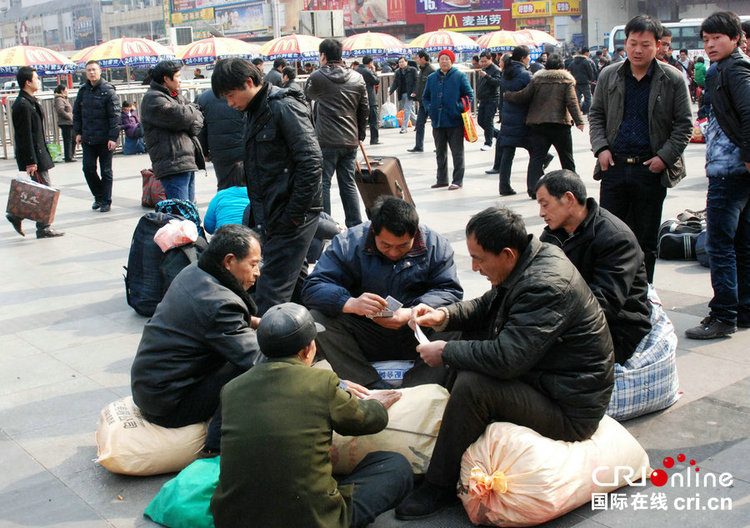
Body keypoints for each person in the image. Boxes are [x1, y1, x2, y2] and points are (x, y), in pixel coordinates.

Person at [394, 206, 613, 519]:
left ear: (508, 253)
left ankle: (438, 485)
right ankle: (429, 423)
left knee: (473, 384)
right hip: (543, 376)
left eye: (479, 258)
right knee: (457, 337)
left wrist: (446, 353)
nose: (475, 266)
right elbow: (488, 304)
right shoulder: (529, 260)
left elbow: (509, 359)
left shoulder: (545, 285)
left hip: (568, 407)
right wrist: (445, 315)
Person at [211, 302, 412, 528]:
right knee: (394, 466)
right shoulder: (321, 381)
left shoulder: (232, 389)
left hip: (234, 521)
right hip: (313, 521)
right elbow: (366, 421)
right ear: (308, 350)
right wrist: (376, 404)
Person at [536, 170, 679, 419]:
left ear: (568, 199)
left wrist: (548, 327)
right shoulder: (553, 234)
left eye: (544, 203)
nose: (541, 213)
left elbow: (604, 305)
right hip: (568, 318)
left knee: (534, 359)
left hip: (617, 329)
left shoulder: (614, 237)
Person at [302, 196, 463, 389]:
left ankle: (418, 386)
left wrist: (415, 310)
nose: (394, 253)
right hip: (364, 331)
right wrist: (349, 303)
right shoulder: (349, 242)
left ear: (415, 233)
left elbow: (449, 289)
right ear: (373, 232)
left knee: (456, 321)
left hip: (415, 330)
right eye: (385, 245)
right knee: (317, 320)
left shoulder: (435, 244)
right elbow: (314, 285)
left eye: (403, 245)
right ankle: (370, 384)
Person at [130, 224, 264, 454]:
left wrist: (256, 322)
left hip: (149, 386)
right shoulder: (220, 304)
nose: (258, 272)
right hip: (169, 404)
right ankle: (216, 446)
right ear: (229, 261)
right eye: (252, 264)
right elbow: (255, 358)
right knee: (252, 370)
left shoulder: (195, 272)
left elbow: (215, 318)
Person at [212, 58, 322, 315]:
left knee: (270, 290)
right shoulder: (254, 110)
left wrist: (294, 215)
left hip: (291, 213)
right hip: (271, 212)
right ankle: (310, 337)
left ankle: (267, 349)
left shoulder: (283, 106)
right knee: (294, 282)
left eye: (230, 95)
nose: (230, 103)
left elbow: (311, 161)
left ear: (249, 83)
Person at [589, 15, 692, 283]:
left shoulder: (672, 79)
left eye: (645, 45)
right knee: (609, 236)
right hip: (614, 167)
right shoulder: (609, 75)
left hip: (650, 168)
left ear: (658, 45)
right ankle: (613, 294)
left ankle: (644, 297)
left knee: (646, 240)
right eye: (633, 43)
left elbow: (684, 125)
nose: (637, 50)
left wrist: (664, 158)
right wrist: (601, 148)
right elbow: (596, 115)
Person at [685, 11, 750, 340]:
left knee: (720, 244)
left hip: (729, 169)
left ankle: (724, 315)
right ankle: (743, 308)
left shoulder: (732, 69)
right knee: (741, 243)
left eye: (717, 39)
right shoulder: (727, 67)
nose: (710, 45)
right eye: (706, 40)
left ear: (735, 38)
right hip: (735, 168)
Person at [305, 38, 367, 228]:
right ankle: (355, 224)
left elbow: (307, 97)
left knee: (323, 183)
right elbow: (364, 109)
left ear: (323, 55)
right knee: (348, 183)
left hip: (326, 139)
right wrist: (360, 134)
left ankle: (327, 225)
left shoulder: (317, 77)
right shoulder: (357, 78)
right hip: (350, 139)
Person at [505, 53, 584, 199]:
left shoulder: (537, 80)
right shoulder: (566, 81)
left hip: (538, 125)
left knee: (536, 158)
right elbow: (572, 102)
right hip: (560, 125)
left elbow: (524, 96)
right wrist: (579, 121)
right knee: (567, 158)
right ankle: (573, 187)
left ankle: (533, 189)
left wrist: (508, 95)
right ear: (561, 67)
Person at [6, 67, 65, 238]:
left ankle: (28, 220)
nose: (38, 81)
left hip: (39, 153)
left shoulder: (30, 102)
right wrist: (30, 161)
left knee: (41, 191)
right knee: (45, 190)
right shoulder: (22, 105)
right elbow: (24, 136)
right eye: (36, 78)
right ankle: (37, 225)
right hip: (34, 156)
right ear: (28, 82)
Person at [141, 61, 205, 202]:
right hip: (172, 162)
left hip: (187, 160)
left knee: (189, 209)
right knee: (180, 210)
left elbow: (197, 120)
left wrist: (190, 113)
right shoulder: (153, 98)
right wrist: (191, 112)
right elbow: (183, 116)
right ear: (166, 78)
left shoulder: (176, 97)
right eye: (177, 76)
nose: (180, 80)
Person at [422, 49, 474, 190]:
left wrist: (458, 107)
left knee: (457, 152)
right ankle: (442, 179)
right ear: (438, 61)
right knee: (440, 152)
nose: (444, 61)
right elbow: (425, 97)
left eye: (447, 59)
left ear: (452, 61)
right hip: (437, 121)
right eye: (441, 59)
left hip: (454, 121)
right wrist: (429, 108)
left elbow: (469, 94)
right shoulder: (432, 78)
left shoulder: (459, 76)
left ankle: (457, 180)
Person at [73, 60, 120, 213]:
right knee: (88, 169)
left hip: (105, 139)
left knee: (106, 171)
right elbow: (77, 114)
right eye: (88, 70)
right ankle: (98, 195)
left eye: (94, 70)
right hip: (88, 137)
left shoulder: (108, 90)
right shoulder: (83, 91)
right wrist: (78, 132)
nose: (91, 73)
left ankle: (106, 200)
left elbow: (115, 116)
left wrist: (113, 137)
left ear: (100, 71)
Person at [486, 46, 533, 195]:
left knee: (508, 152)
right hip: (523, 118)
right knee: (536, 152)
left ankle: (504, 186)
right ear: (523, 58)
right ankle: (533, 186)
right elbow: (531, 95)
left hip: (508, 117)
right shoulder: (526, 75)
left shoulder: (506, 73)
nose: (529, 59)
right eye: (528, 56)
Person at [197, 87, 246, 190]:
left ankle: (225, 205)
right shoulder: (241, 93)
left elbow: (201, 129)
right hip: (242, 148)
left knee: (224, 185)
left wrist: (204, 153)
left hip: (219, 151)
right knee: (248, 185)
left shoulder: (204, 97)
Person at [408, 49, 435, 153]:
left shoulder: (431, 70)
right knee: (419, 124)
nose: (417, 60)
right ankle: (419, 146)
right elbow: (420, 85)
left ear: (423, 58)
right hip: (422, 102)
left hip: (431, 102)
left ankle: (439, 146)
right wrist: (416, 94)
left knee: (435, 125)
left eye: (418, 58)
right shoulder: (422, 70)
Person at [476, 51, 502, 151]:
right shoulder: (483, 69)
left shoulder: (495, 69)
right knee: (481, 121)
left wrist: (486, 76)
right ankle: (498, 134)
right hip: (483, 99)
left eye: (485, 61)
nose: (483, 63)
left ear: (490, 59)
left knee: (488, 121)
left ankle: (488, 142)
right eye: (481, 61)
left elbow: (497, 82)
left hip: (492, 99)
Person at [389, 57, 417, 135]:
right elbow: (395, 83)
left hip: (410, 93)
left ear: (406, 62)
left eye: (402, 62)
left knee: (407, 110)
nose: (401, 64)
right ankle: (418, 124)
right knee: (407, 110)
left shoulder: (412, 70)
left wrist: (415, 91)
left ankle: (404, 128)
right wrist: (391, 91)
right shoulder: (398, 72)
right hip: (401, 93)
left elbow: (416, 81)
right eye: (399, 62)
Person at [356, 56, 381, 145]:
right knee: (373, 120)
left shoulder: (356, 70)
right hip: (370, 98)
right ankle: (374, 139)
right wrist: (374, 71)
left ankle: (358, 139)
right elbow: (376, 81)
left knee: (359, 120)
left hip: (358, 99)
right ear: (370, 62)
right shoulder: (368, 71)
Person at [567, 47, 597, 115]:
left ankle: (577, 111)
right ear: (586, 53)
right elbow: (590, 71)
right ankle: (586, 111)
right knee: (588, 98)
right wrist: (591, 79)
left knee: (577, 98)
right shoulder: (586, 61)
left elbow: (569, 70)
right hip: (585, 82)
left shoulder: (573, 61)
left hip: (576, 82)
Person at [53, 84, 75, 162]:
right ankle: (68, 157)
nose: (67, 91)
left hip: (69, 122)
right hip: (65, 122)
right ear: (62, 91)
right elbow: (60, 110)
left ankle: (70, 155)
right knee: (68, 139)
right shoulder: (59, 99)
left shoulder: (64, 99)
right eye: (66, 89)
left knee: (72, 138)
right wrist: (69, 116)